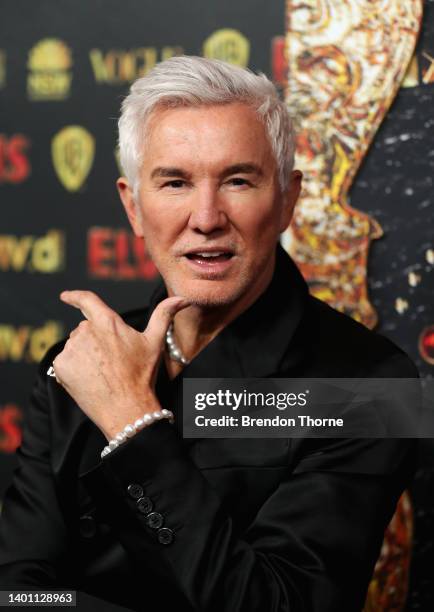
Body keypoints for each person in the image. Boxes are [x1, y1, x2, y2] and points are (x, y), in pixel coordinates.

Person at [0, 56, 418, 611]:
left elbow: (277, 604)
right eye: (174, 182)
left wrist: (132, 424)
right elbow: (21, 592)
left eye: (238, 180)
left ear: (288, 199)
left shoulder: (373, 389)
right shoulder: (78, 362)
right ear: (133, 205)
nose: (205, 217)